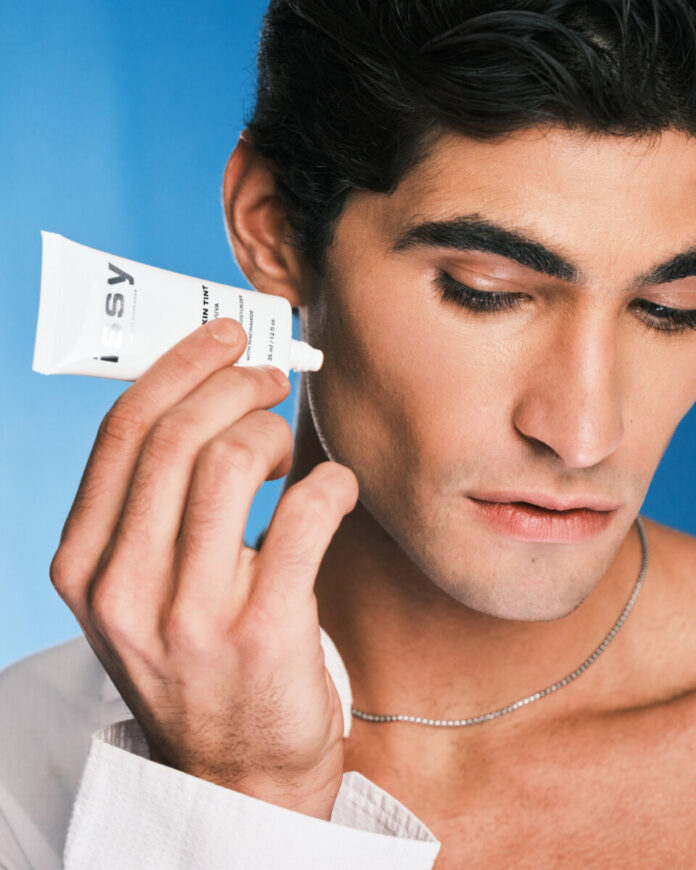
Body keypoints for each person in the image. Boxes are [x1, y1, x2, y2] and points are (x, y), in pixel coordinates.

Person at [3, 1, 696, 867]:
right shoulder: (20, 773)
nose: (585, 435)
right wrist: (238, 800)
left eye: (670, 310)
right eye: (487, 291)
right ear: (274, 226)